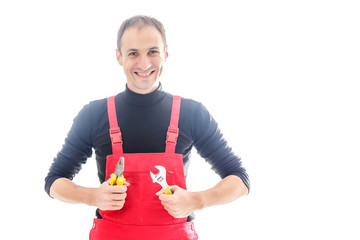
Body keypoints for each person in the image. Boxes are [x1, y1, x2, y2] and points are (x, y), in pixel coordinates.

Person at [45, 15, 250, 240]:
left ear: (166, 53)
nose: (144, 64)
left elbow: (239, 180)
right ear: (119, 57)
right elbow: (54, 181)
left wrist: (196, 200)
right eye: (133, 53)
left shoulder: (192, 114)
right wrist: (93, 196)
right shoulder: (94, 115)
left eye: (152, 51)